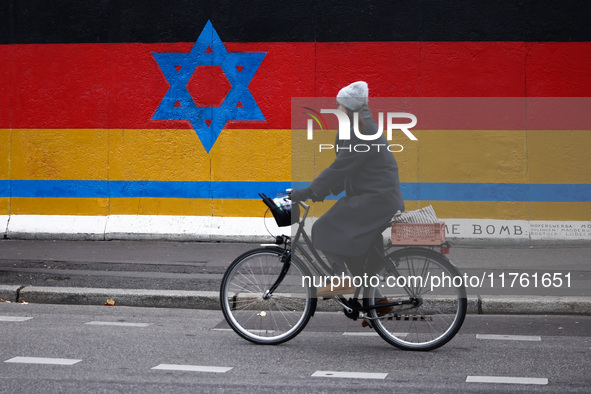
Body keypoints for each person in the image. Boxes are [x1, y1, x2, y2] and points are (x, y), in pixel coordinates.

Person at [291, 81, 405, 302]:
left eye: (339, 105)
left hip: (375, 200)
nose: (337, 109)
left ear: (349, 107)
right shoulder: (362, 126)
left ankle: (342, 283)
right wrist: (318, 193)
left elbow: (340, 167)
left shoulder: (361, 130)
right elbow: (348, 170)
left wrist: (309, 191)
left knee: (324, 228)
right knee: (355, 251)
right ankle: (377, 302)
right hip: (377, 197)